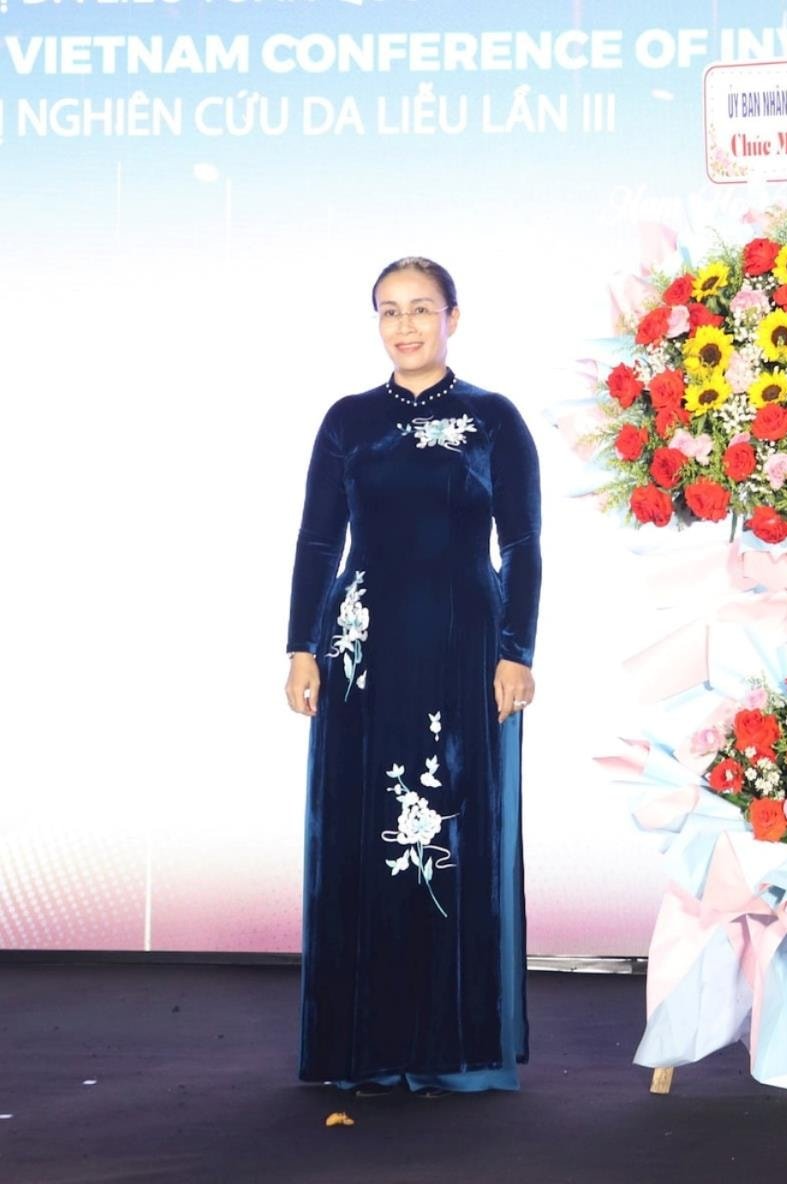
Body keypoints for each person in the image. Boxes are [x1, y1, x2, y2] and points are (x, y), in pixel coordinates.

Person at [284, 257, 543, 1095]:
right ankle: (361, 1047)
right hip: (362, 649)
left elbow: (526, 546)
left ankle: (456, 1051)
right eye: (389, 312)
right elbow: (319, 543)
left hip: (467, 645)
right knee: (361, 829)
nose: (404, 326)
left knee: (458, 828)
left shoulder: (493, 419)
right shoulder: (348, 420)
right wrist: (301, 647)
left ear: (453, 319)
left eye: (421, 309)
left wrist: (518, 650)